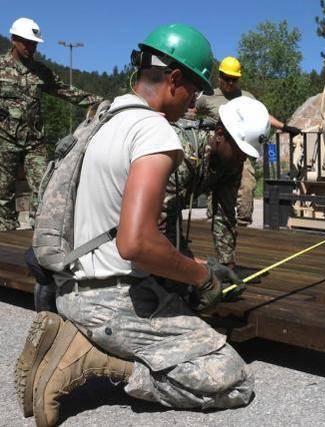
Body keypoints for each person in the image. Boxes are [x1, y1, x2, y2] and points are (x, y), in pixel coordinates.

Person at [14, 24, 259, 426]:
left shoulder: (102, 118)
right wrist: (201, 276)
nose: (193, 103)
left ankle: (71, 330)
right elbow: (137, 243)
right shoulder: (153, 129)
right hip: (108, 299)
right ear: (175, 79)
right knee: (231, 380)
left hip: (66, 285)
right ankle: (92, 360)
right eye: (194, 90)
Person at [0, 17, 103, 231]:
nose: (31, 47)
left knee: (43, 188)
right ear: (13, 39)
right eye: (26, 42)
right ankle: (4, 240)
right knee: (2, 195)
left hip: (33, 142)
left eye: (34, 43)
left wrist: (97, 101)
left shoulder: (41, 72)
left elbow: (66, 90)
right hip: (4, 141)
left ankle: (42, 236)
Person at [165, 97, 270, 271]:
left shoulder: (231, 163)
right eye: (239, 150)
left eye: (247, 154)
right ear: (220, 134)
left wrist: (226, 265)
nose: (243, 159)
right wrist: (189, 268)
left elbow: (225, 213)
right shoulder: (183, 153)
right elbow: (163, 221)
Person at [196, 56, 301, 227]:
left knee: (247, 184)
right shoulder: (207, 97)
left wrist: (285, 127)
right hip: (217, 149)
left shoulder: (246, 97)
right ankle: (213, 220)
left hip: (239, 150)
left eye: (234, 79)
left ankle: (243, 222)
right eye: (226, 78)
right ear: (219, 77)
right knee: (214, 186)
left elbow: (262, 117)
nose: (230, 83)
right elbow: (191, 111)